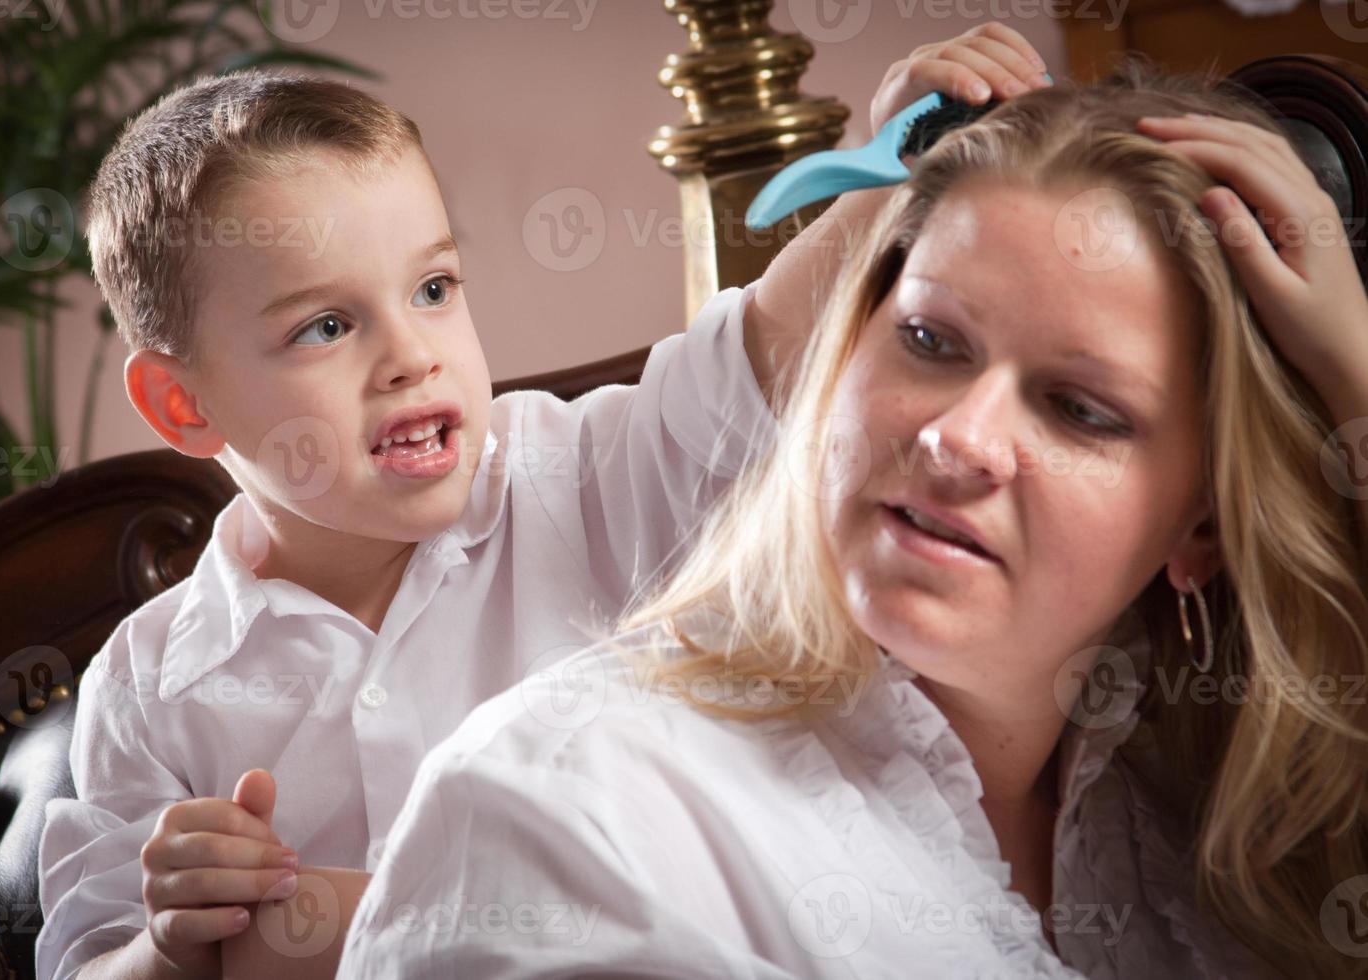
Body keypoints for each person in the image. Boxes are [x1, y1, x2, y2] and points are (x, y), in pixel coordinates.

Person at [34, 25, 1056, 980]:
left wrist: (893, 163)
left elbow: (760, 356)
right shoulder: (147, 685)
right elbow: (91, 958)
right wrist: (171, 944)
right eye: (327, 325)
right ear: (183, 400)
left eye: (434, 288)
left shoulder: (581, 476)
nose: (412, 355)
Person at [336, 57, 1368, 979]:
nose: (959, 438)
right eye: (929, 338)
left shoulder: (1206, 845)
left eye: (1081, 409)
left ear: (1201, 529)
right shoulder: (573, 813)